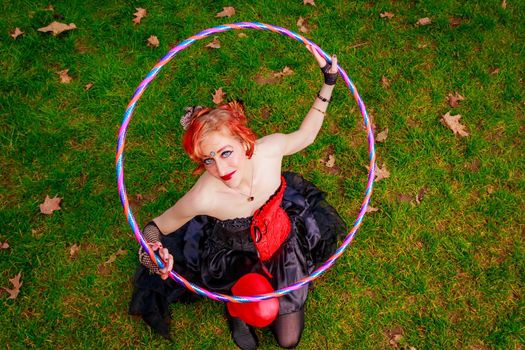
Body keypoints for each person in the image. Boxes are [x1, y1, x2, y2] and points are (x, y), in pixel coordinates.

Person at [129, 44, 346, 349]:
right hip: (235, 257)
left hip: (282, 242)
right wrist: (153, 257)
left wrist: (328, 83)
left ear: (244, 141)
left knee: (288, 340)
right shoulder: (204, 195)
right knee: (252, 303)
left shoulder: (269, 152)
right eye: (208, 160)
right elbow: (153, 228)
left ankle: (252, 303)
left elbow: (306, 135)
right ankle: (236, 309)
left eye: (226, 152)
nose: (220, 168)